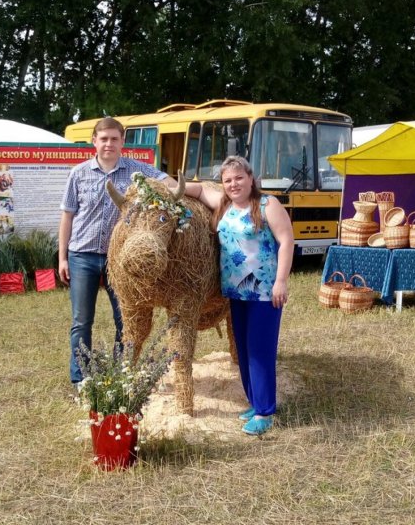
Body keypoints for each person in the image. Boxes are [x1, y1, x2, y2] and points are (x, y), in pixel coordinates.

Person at [58, 117, 174, 386]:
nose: (108, 143)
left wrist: (201, 190)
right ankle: (81, 379)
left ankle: (121, 372)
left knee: (125, 319)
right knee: (81, 321)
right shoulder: (78, 174)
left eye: (114, 139)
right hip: (82, 255)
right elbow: (67, 217)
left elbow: (166, 182)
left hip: (119, 259)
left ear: (122, 142)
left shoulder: (137, 171)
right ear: (94, 141)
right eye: (104, 138)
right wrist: (63, 257)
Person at [184, 156, 294, 436]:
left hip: (264, 292)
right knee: (244, 350)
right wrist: (162, 184)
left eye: (239, 178)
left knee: (260, 351)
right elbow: (196, 190)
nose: (234, 184)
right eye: (228, 180)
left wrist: (281, 280)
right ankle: (255, 402)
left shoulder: (268, 205)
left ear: (251, 178)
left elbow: (286, 240)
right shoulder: (224, 203)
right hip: (235, 291)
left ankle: (265, 412)